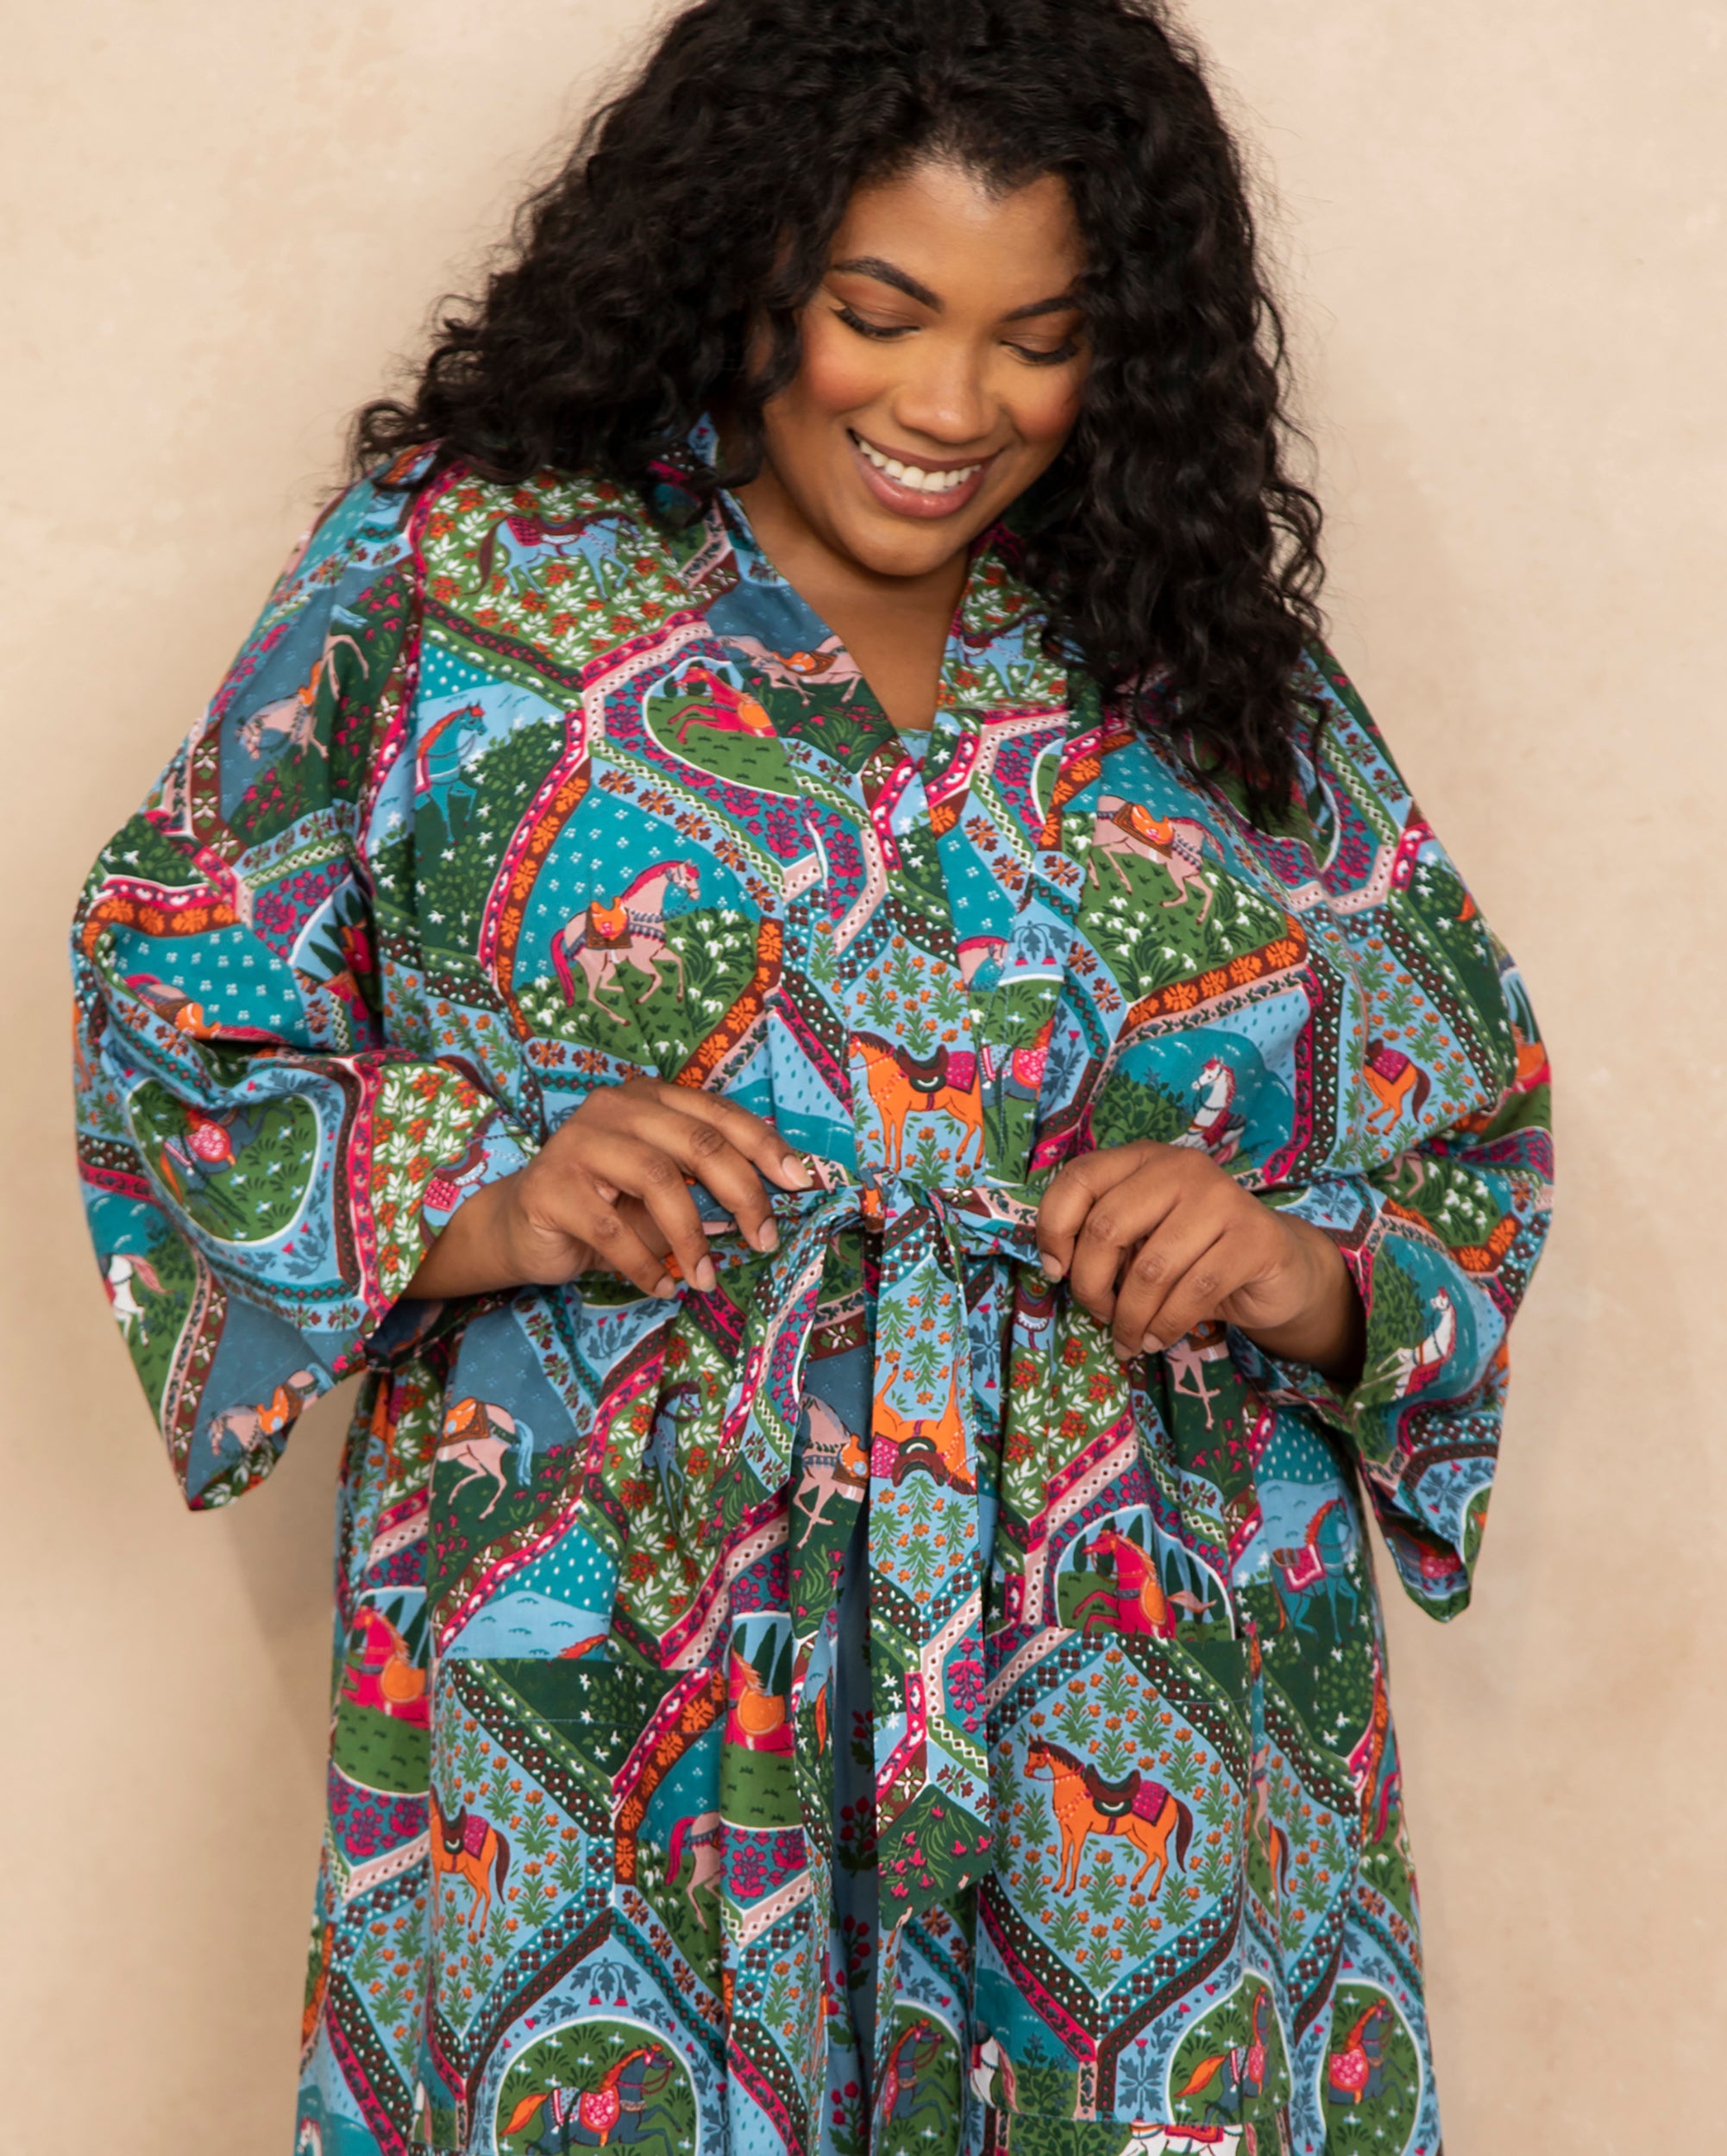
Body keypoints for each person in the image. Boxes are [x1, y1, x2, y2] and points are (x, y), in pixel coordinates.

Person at [69, 3, 1552, 2151]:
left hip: (1126, 1699)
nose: (948, 405)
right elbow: (174, 988)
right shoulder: (463, 576)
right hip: (610, 1673)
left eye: (1037, 339)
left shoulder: (1189, 647)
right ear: (748, 255)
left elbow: (1462, 1127)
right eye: (879, 311)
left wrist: (1289, 1266)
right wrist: (483, 1193)